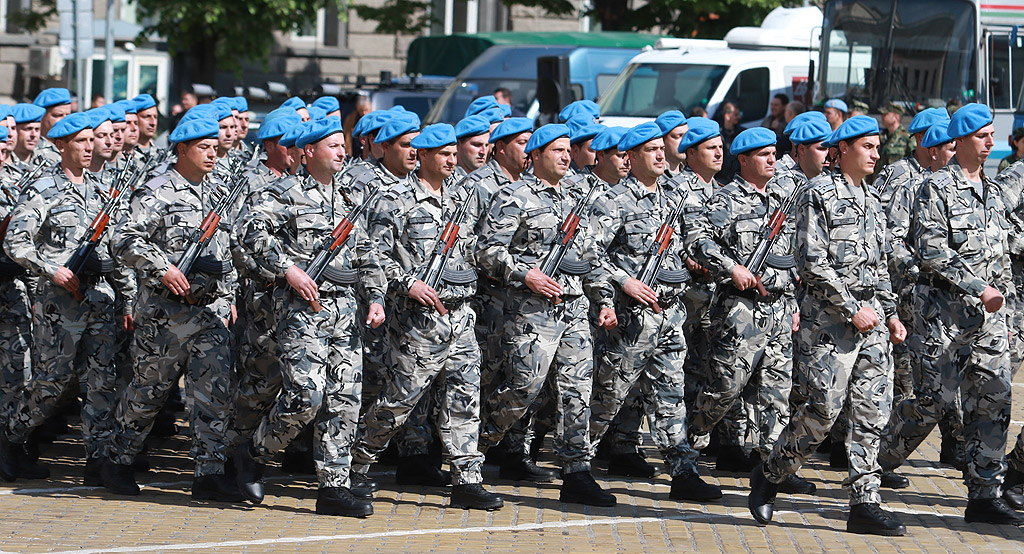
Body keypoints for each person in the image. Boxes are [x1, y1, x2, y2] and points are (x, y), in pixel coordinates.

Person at [748, 115, 908, 536]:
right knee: (822, 412)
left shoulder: (872, 201)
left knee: (872, 412)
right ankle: (771, 473)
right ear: (842, 152)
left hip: (871, 323)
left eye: (877, 146)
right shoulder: (816, 194)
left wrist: (891, 314)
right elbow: (812, 262)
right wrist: (852, 307)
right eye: (868, 147)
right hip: (829, 326)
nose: (877, 154)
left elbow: (880, 267)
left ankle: (864, 502)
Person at [233, 117, 387, 517]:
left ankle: (333, 488)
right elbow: (251, 231)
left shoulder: (351, 197)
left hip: (346, 312)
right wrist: (288, 269)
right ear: (307, 152)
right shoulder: (284, 192)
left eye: (343, 145)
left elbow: (368, 254)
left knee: (345, 400)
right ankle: (254, 453)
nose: (341, 152)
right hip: (304, 312)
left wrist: (375, 297)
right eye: (333, 146)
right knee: (307, 395)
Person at [878, 103, 1024, 525]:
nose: (991, 142)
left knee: (993, 402)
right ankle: (871, 457)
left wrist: (1009, 318)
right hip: (944, 316)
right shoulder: (935, 187)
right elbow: (931, 249)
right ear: (959, 141)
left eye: (992, 135)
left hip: (991, 321)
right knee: (932, 403)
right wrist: (980, 289)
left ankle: (983, 495)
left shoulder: (993, 192)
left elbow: (1000, 258)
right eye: (982, 136)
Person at [352, 123, 504, 511]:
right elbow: (375, 255)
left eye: (455, 154)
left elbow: (475, 246)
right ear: (423, 156)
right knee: (399, 401)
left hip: (461, 315)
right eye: (444, 154)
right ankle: (355, 465)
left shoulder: (461, 198)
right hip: (418, 320)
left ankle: (467, 479)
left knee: (464, 399)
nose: (453, 161)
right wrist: (407, 283)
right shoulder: (395, 199)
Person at [475, 124, 617, 506]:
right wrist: (525, 273)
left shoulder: (579, 198)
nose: (566, 156)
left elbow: (592, 258)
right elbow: (487, 251)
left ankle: (577, 472)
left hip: (574, 309)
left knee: (577, 393)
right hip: (530, 310)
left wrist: (605, 300)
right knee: (524, 389)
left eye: (567, 150)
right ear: (534, 155)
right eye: (556, 151)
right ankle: (470, 447)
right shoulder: (514, 195)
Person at [102, 115, 238, 501]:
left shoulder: (217, 192)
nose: (213, 153)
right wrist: (163, 269)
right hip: (165, 314)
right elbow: (123, 239)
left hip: (209, 312)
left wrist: (228, 295)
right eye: (203, 147)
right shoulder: (156, 191)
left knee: (213, 391)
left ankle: (208, 473)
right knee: (148, 390)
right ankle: (118, 459)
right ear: (182, 149)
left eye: (214, 147)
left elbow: (225, 252)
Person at [587, 122, 722, 502]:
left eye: (663, 148)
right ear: (629, 157)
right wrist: (622, 283)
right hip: (630, 319)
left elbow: (697, 241)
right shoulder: (614, 201)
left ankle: (683, 472)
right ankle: (577, 466)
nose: (662, 155)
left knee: (670, 395)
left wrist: (713, 262)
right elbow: (589, 255)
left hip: (670, 313)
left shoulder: (676, 197)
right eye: (651, 150)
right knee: (608, 397)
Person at [0, 111, 134, 485]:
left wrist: (127, 297)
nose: (90, 147)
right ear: (61, 145)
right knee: (52, 383)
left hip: (100, 299)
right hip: (59, 303)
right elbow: (16, 242)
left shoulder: (100, 191)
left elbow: (116, 246)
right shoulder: (44, 188)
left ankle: (98, 460)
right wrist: (52, 268)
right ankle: (10, 437)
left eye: (93, 140)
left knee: (101, 381)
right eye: (82, 141)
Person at [686, 126, 814, 495]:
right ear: (743, 160)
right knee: (725, 388)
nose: (772, 159)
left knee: (775, 391)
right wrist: (731, 268)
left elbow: (794, 256)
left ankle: (773, 469)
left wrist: (792, 301)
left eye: (774, 153)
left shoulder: (785, 200)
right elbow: (698, 241)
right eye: (762, 154)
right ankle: (686, 447)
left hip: (778, 306)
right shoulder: (724, 201)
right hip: (739, 310)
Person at [33, 88, 73, 165]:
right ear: (41, 117)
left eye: (68, 115)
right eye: (58, 115)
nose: (64, 120)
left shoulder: (74, 144)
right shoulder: (31, 147)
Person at [452, 114, 490, 180]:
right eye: (477, 145)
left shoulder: (490, 178)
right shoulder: (446, 180)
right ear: (458, 144)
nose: (483, 152)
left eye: (486, 145)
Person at [878, 102, 914, 169]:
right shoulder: (882, 137)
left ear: (896, 117)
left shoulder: (907, 137)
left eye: (886, 114)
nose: (882, 117)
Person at [656, 110, 688, 176]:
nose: (684, 141)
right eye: (678, 136)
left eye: (686, 136)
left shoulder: (690, 174)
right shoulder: (653, 177)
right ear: (662, 140)